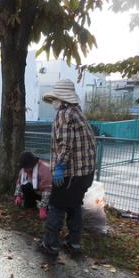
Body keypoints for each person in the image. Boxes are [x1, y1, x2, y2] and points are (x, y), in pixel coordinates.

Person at [39, 79, 97, 256]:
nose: (53, 103)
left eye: (55, 99)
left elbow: (65, 145)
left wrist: (59, 167)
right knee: (74, 205)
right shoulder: (77, 112)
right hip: (85, 172)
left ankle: (51, 244)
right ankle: (74, 243)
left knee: (56, 206)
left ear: (62, 99)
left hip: (70, 173)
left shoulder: (64, 114)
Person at [13, 151, 52, 220]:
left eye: (25, 168)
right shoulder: (24, 170)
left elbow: (47, 189)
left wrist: (42, 208)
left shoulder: (45, 169)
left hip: (49, 194)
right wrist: (18, 195)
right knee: (26, 186)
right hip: (37, 191)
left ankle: (45, 209)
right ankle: (30, 206)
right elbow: (20, 182)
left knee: (50, 208)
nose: (24, 171)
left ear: (31, 165)